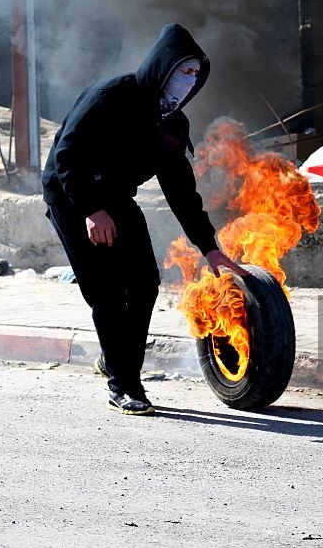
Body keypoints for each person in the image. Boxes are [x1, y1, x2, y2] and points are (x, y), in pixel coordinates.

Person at [42, 23, 247, 416]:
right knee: (104, 290)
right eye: (183, 72)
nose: (188, 82)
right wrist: (90, 209)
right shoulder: (109, 97)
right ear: (162, 68)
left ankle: (114, 359)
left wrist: (210, 249)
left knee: (144, 282)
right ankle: (124, 385)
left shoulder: (172, 124)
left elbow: (182, 193)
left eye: (195, 76)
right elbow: (68, 154)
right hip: (72, 196)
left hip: (116, 197)